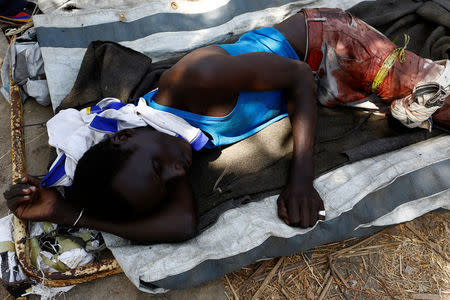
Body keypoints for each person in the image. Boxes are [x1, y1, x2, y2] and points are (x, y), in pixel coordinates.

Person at [4, 8, 449, 243]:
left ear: (125, 135)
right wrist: (68, 213)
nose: (181, 174)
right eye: (168, 181)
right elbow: (180, 224)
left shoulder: (191, 87)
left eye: (162, 171)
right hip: (318, 86)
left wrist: (299, 180)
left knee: (439, 105)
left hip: (325, 45)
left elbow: (295, 75)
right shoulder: (165, 150)